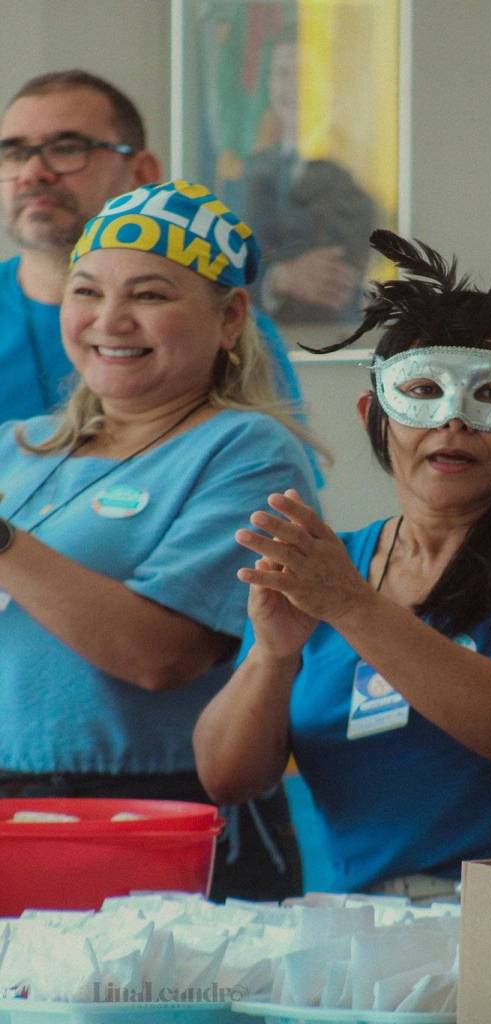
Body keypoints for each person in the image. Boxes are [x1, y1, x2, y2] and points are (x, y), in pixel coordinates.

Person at [194, 230, 491, 899]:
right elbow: (228, 779)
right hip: (368, 932)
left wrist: (353, 607)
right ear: (372, 415)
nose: (453, 421)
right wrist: (271, 655)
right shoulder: (332, 566)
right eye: (422, 391)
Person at [0, 179, 322, 901]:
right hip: (13, 811)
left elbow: (162, 656)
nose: (110, 320)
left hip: (160, 814)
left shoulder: (247, 451)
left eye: (148, 295)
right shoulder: (15, 449)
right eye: (86, 292)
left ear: (230, 317)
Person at [0, 69, 308, 438]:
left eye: (66, 148)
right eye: (13, 153)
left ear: (142, 173)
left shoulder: (218, 330)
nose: (32, 172)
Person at [240, 38, 376, 324]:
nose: (291, 86)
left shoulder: (353, 170)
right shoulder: (250, 170)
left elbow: (335, 276)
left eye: (303, 73)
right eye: (282, 73)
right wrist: (279, 277)